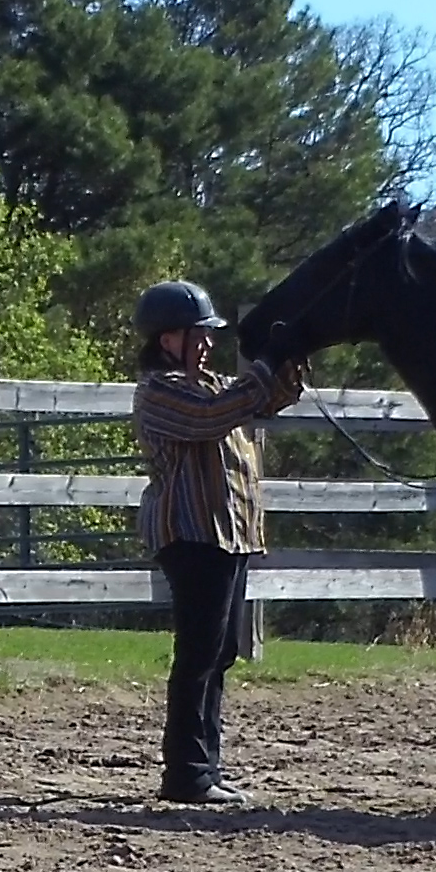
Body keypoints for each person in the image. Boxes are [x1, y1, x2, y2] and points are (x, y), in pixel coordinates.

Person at [130, 279, 304, 805]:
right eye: (197, 335)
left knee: (219, 652)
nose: (207, 344)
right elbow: (212, 416)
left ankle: (205, 765)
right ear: (168, 340)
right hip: (193, 533)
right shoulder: (161, 391)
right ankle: (185, 773)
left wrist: (290, 356)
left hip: (228, 533)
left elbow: (266, 397)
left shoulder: (210, 384)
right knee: (199, 654)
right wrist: (264, 366)